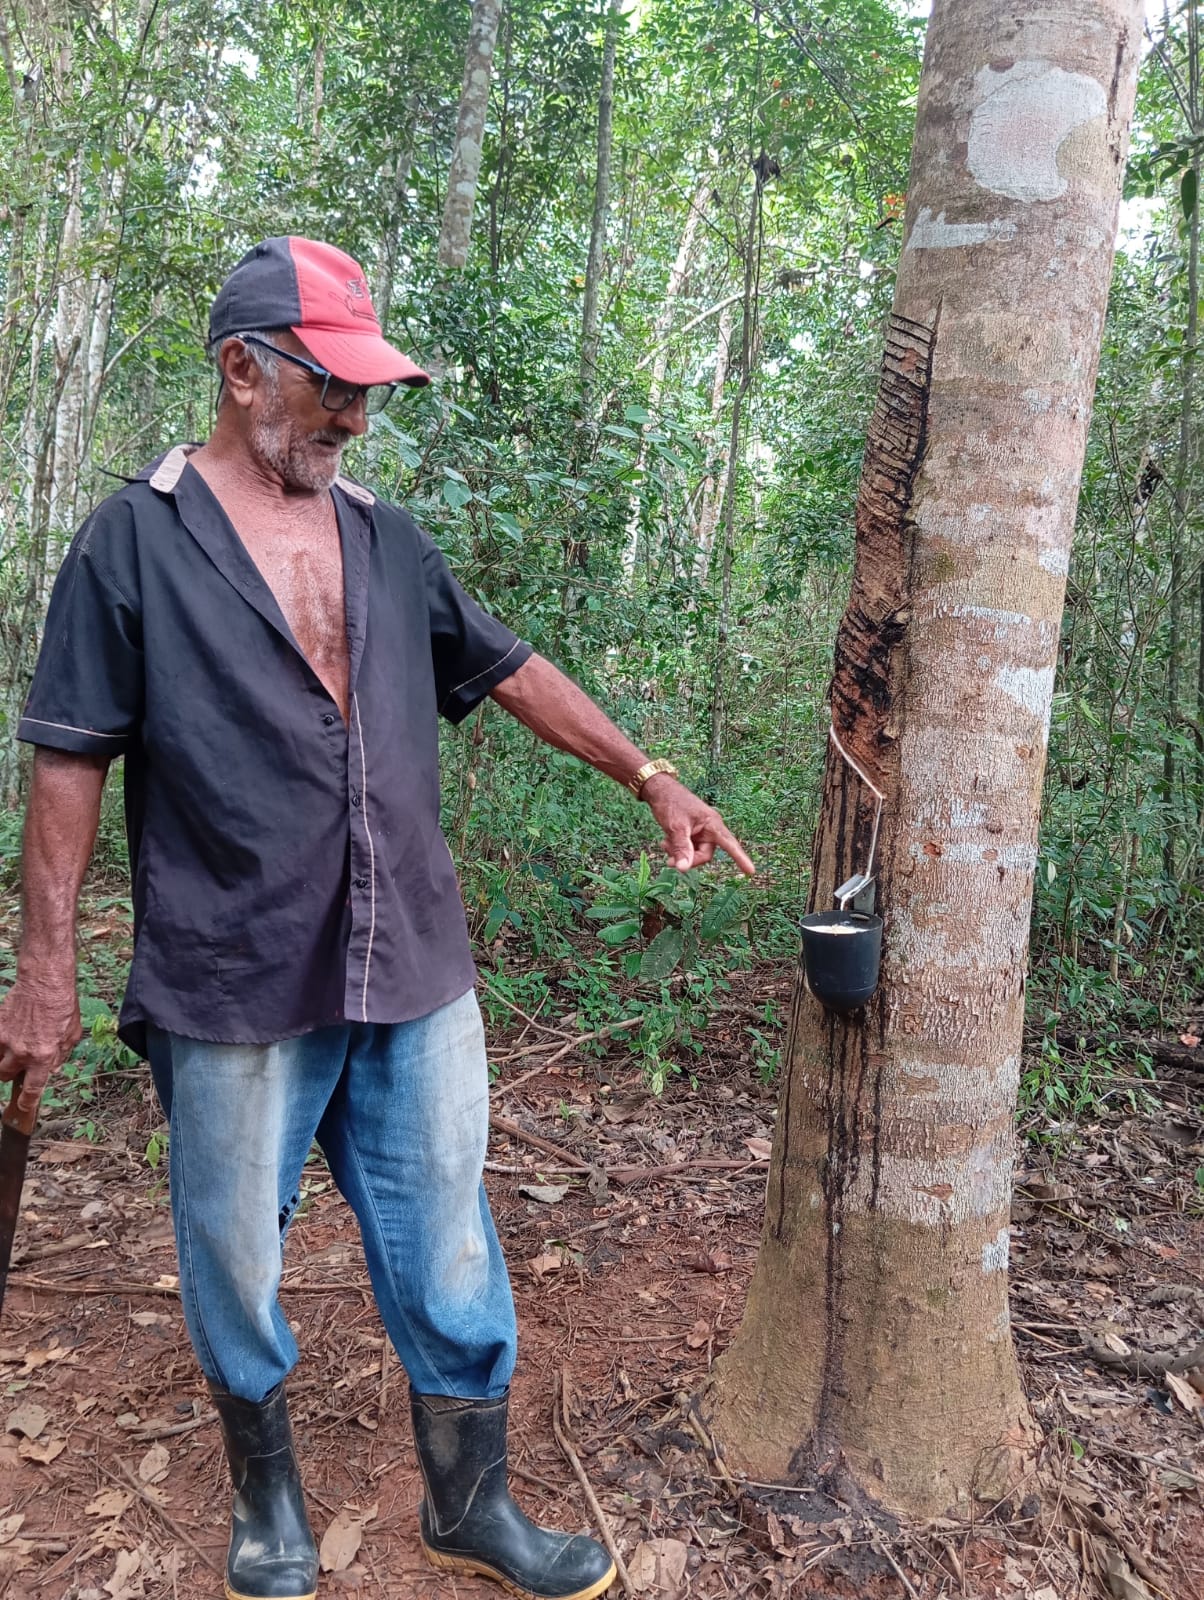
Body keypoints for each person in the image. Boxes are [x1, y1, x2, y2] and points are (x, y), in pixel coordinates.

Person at [0, 237, 755, 1600]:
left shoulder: (386, 539)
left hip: (408, 952)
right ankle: (267, 1500)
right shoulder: (135, 541)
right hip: (233, 967)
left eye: (368, 391)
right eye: (331, 386)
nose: (354, 415)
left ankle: (472, 1504)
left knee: (447, 1227)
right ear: (243, 371)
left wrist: (649, 774)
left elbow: (507, 666)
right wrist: (44, 973)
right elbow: (67, 759)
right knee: (234, 1242)